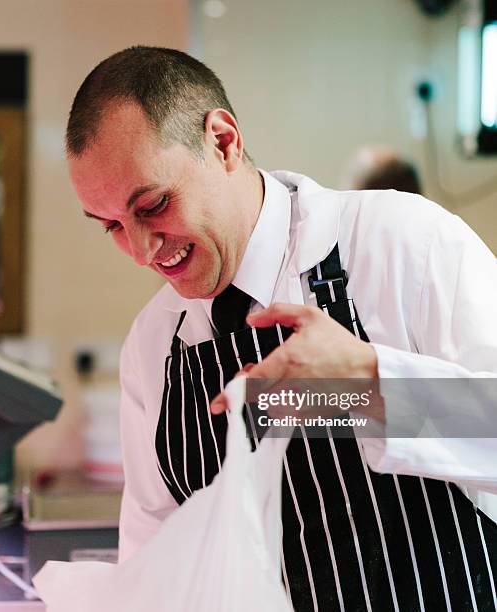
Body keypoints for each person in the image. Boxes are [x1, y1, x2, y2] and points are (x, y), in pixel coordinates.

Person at [65, 46, 497, 611]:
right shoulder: (154, 346)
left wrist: (371, 384)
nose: (141, 251)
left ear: (223, 142)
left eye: (153, 205)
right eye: (112, 227)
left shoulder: (401, 242)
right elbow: (155, 564)